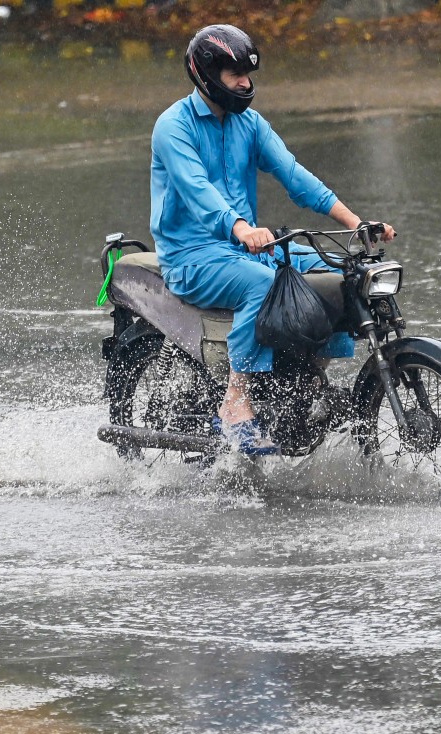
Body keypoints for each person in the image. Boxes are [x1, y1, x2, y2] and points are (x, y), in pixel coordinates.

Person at [150, 24, 395, 456]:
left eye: (248, 73)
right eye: (234, 75)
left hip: (244, 247)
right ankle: (235, 400)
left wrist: (356, 223)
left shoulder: (250, 124)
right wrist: (241, 228)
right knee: (262, 285)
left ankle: (304, 380)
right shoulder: (174, 127)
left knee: (334, 271)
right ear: (205, 74)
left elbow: (295, 176)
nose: (245, 83)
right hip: (193, 256)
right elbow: (198, 191)